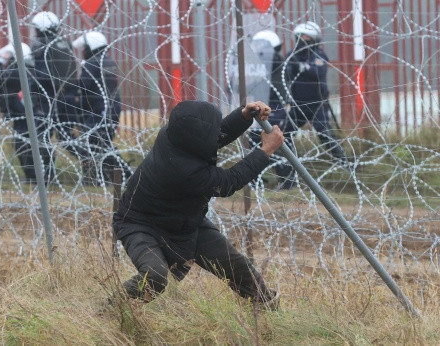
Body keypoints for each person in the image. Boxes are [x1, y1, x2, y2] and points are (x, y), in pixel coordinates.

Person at [112, 100, 284, 309]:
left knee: (238, 268)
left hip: (183, 221)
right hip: (140, 224)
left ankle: (268, 310)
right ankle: (110, 311)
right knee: (155, 275)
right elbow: (228, 182)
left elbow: (214, 135)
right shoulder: (185, 170)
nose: (217, 131)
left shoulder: (174, 135)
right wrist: (265, 151)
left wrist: (243, 115)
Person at [279, 21, 348, 188]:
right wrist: (296, 65)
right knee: (283, 137)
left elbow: (318, 71)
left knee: (326, 136)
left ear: (315, 40)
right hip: (297, 106)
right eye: (300, 37)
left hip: (317, 105)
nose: (303, 40)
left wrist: (301, 67)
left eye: (307, 38)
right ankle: (288, 178)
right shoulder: (291, 55)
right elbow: (284, 74)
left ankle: (348, 168)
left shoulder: (319, 55)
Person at [73, 31, 132, 185]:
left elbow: (83, 87)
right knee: (102, 143)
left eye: (85, 48)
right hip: (111, 107)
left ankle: (98, 178)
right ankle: (121, 174)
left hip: (100, 109)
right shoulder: (108, 62)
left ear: (91, 47)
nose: (84, 51)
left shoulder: (91, 63)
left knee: (92, 142)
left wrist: (73, 98)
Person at [29, 11, 78, 183]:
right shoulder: (64, 43)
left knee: (42, 138)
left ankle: (46, 176)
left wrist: (30, 89)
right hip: (67, 98)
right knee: (66, 137)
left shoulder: (40, 44)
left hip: (47, 99)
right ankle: (96, 166)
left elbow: (41, 75)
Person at [246, 29, 295, 188]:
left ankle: (285, 180)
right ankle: (257, 178)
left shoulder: (272, 61)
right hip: (266, 107)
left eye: (261, 45)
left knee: (271, 144)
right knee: (259, 141)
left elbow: (263, 83)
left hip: (273, 108)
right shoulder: (267, 62)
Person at [0, 42, 39, 183]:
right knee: (26, 143)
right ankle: (35, 176)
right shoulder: (28, 69)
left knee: (22, 144)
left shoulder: (18, 71)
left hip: (22, 115)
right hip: (24, 113)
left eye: (10, 58)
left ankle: (33, 176)